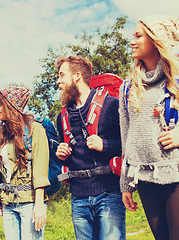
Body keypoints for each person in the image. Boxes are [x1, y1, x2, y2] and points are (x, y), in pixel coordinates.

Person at [119, 16, 179, 240]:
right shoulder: (128, 87)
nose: (132, 41)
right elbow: (126, 137)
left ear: (157, 40)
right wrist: (126, 184)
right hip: (146, 182)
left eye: (138, 36)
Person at [55, 56, 125, 240]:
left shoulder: (112, 105)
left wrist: (105, 145)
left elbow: (129, 145)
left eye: (62, 75)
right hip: (78, 197)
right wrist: (61, 155)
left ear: (77, 76)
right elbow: (69, 155)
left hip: (109, 193)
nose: (58, 81)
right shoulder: (62, 116)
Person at [0, 86, 50, 240]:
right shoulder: (5, 134)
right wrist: (1, 195)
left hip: (30, 202)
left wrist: (39, 205)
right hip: (8, 203)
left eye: (0, 104)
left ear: (11, 106)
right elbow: (7, 170)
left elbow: (40, 170)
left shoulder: (35, 130)